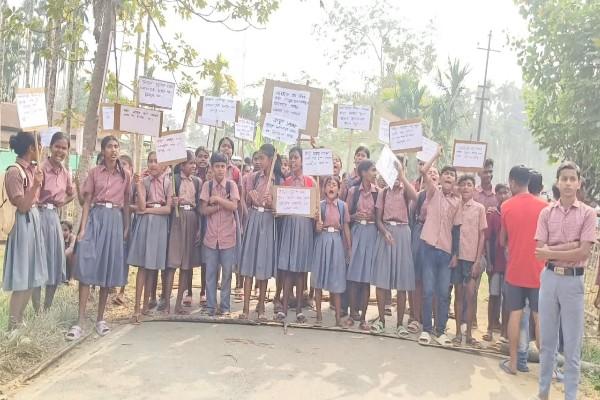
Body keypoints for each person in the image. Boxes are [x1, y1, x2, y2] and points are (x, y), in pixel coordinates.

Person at [534, 161, 596, 400]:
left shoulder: (588, 214)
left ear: (579, 183)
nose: (568, 183)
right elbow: (540, 251)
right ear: (558, 182)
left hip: (573, 282)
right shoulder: (546, 212)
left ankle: (571, 396)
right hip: (549, 279)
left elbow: (583, 253)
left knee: (572, 346)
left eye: (573, 179)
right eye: (564, 178)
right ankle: (542, 393)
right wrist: (570, 246)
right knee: (547, 343)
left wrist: (555, 251)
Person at [67, 135, 131, 340]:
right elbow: (86, 202)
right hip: (96, 218)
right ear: (102, 151)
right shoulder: (94, 173)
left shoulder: (126, 175)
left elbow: (128, 203)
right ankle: (80, 321)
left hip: (115, 221)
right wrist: (83, 229)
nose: (114, 150)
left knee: (106, 269)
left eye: (116, 146)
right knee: (87, 267)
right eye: (110, 146)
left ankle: (100, 319)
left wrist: (126, 226)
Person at [498, 165, 547, 375]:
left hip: (515, 270)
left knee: (515, 316)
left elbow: (502, 240)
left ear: (512, 182)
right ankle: (546, 368)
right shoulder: (545, 207)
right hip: (538, 270)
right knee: (539, 318)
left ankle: (513, 363)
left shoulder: (506, 206)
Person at [2, 131, 46, 330]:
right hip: (22, 224)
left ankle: (20, 320)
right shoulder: (14, 172)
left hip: (33, 222)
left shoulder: (31, 170)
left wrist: (37, 182)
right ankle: (13, 323)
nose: (40, 148)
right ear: (31, 148)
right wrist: (35, 185)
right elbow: (22, 206)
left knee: (32, 275)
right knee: (22, 274)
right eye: (37, 144)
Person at [370, 156, 418, 336]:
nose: (396, 174)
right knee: (382, 281)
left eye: (399, 168)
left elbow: (416, 197)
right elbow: (378, 218)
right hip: (386, 234)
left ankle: (400, 324)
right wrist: (384, 232)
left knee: (402, 282)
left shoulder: (405, 190)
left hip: (403, 234)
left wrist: (402, 175)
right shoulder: (383, 193)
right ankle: (381, 320)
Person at [418, 146, 460, 346]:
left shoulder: (457, 202)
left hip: (445, 252)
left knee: (443, 293)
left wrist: (456, 254)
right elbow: (424, 171)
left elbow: (457, 230)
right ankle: (426, 329)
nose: (449, 178)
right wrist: (436, 155)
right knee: (427, 291)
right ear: (441, 179)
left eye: (452, 176)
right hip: (428, 249)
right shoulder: (433, 193)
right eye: (446, 174)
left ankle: (440, 330)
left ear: (455, 182)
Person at [239, 143, 283, 320]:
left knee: (263, 265)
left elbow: (281, 210)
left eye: (262, 158)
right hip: (254, 219)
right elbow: (245, 201)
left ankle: (262, 309)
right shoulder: (253, 178)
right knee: (249, 264)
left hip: (268, 222)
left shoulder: (279, 181)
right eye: (257, 158)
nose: (259, 161)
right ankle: (245, 308)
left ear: (271, 160)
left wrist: (272, 203)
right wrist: (250, 197)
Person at [127, 151, 172, 323]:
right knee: (143, 267)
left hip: (159, 225)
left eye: (156, 161)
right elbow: (140, 206)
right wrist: (138, 187)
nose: (153, 164)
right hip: (146, 225)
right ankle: (137, 307)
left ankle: (146, 305)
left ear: (164, 166)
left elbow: (167, 209)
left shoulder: (168, 184)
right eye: (150, 161)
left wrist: (149, 210)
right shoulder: (144, 182)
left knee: (152, 266)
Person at [32, 132, 75, 312]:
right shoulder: (41, 168)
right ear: (51, 147)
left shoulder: (66, 173)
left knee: (55, 261)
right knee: (37, 261)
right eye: (57, 146)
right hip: (38, 216)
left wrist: (61, 202)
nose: (60, 151)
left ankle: (47, 307)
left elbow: (72, 193)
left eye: (64, 148)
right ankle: (36, 309)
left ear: (67, 150)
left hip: (54, 219)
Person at [275, 147, 316, 323]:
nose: (293, 161)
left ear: (303, 160)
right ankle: (284, 308)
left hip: (305, 227)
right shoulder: (286, 182)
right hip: (289, 227)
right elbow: (280, 208)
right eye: (291, 158)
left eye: (296, 158)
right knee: (287, 269)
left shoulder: (311, 182)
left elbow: (315, 209)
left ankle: (299, 309)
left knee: (300, 271)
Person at [200, 152, 240, 316]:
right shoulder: (207, 186)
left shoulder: (232, 186)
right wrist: (219, 205)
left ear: (227, 168)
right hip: (211, 237)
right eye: (217, 166)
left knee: (227, 274)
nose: (220, 170)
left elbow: (234, 206)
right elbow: (203, 210)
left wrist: (217, 200)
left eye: (223, 166)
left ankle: (225, 306)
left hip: (228, 236)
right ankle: (210, 306)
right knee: (210, 273)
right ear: (212, 168)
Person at [450, 175, 487, 347]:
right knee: (458, 295)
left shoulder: (479, 208)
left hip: (472, 258)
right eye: (463, 185)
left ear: (474, 188)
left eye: (469, 185)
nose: (465, 188)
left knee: (470, 295)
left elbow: (482, 235)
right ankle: (457, 332)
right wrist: (453, 254)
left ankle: (470, 334)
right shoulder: (455, 206)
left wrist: (478, 260)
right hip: (457, 257)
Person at [164, 151, 202, 315]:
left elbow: (199, 206)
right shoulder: (174, 180)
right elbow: (168, 203)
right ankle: (166, 304)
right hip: (177, 220)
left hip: (192, 218)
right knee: (172, 263)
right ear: (181, 165)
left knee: (186, 265)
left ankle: (178, 303)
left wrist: (200, 227)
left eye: (194, 163)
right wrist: (174, 203)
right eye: (190, 163)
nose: (193, 166)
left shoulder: (197, 182)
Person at [312, 176, 351, 326]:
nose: (331, 187)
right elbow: (314, 228)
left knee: (337, 278)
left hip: (336, 241)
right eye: (328, 184)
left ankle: (337, 318)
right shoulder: (319, 206)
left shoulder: (343, 206)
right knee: (318, 277)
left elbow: (346, 227)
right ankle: (319, 316)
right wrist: (317, 226)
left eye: (334, 185)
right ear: (324, 189)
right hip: (322, 240)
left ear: (339, 190)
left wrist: (349, 247)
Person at [345, 160, 379, 331]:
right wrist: (354, 216)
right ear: (364, 172)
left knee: (366, 280)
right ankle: (352, 315)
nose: (375, 174)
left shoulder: (378, 193)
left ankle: (363, 319)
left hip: (371, 234)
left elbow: (380, 218)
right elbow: (346, 216)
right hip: (357, 233)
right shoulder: (353, 192)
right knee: (353, 278)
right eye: (373, 170)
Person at [408, 165, 439, 334]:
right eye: (430, 172)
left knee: (433, 281)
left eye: (435, 173)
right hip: (420, 236)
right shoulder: (420, 197)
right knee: (418, 279)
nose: (432, 174)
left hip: (437, 238)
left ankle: (431, 320)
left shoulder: (444, 196)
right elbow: (412, 218)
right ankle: (415, 317)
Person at [483, 183, 510, 343]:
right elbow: (487, 239)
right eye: (499, 193)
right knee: (493, 296)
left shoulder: (513, 212)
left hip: (510, 264)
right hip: (496, 262)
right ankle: (489, 329)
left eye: (505, 192)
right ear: (496, 195)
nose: (502, 195)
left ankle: (505, 333)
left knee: (507, 298)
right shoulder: (493, 214)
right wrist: (490, 261)